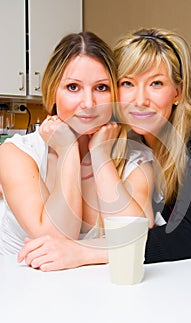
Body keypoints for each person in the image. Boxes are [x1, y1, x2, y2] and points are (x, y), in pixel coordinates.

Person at [0, 31, 154, 258]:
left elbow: (134, 238)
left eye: (101, 88)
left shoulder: (136, 158)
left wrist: (100, 154)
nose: (89, 103)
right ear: (53, 92)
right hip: (23, 287)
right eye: (73, 87)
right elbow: (56, 238)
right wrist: (67, 149)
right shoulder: (16, 154)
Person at [114, 27, 191, 262]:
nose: (140, 100)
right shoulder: (131, 143)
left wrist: (89, 252)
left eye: (156, 84)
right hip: (190, 269)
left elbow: (186, 236)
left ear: (177, 92)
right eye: (128, 83)